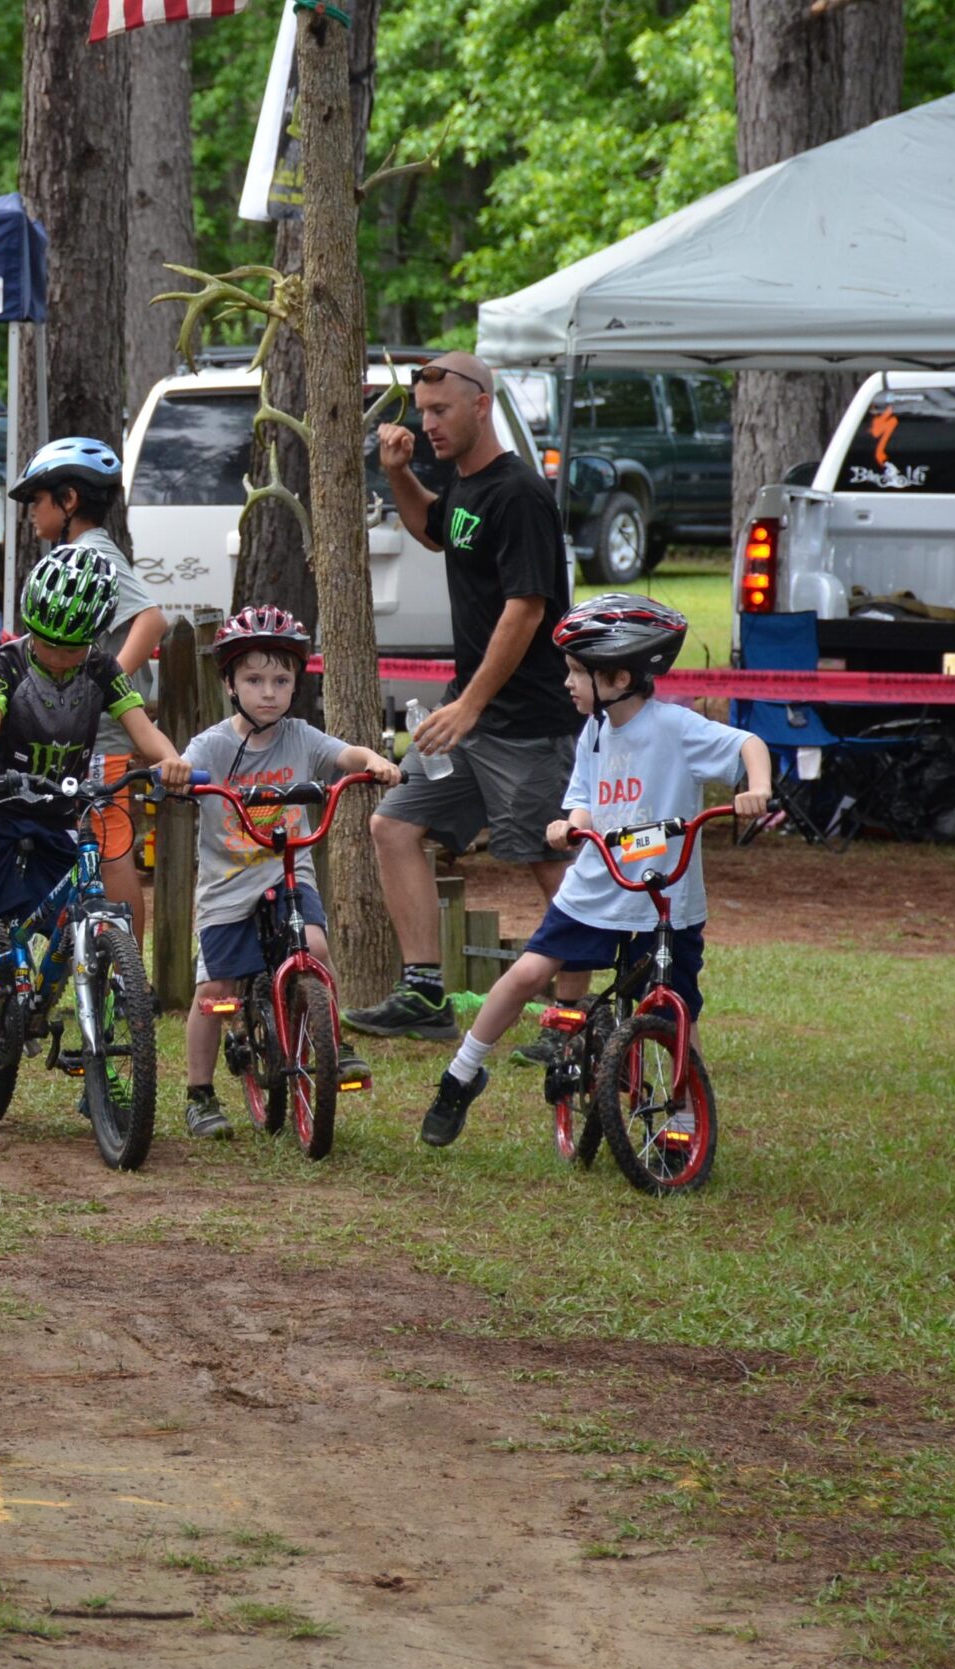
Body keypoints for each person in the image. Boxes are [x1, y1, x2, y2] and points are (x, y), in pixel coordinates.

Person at [420, 595, 769, 1147]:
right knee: (529, 973)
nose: (568, 684)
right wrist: (570, 823)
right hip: (598, 886)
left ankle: (683, 1115)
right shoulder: (596, 730)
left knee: (678, 1008)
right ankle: (463, 1072)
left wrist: (758, 788)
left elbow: (749, 743)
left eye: (578, 673)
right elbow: (584, 796)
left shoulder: (676, 728)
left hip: (665, 896)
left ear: (620, 676)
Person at [346, 349, 584, 1048]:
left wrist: (471, 705)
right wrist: (398, 473)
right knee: (393, 827)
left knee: (549, 860)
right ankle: (424, 994)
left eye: (441, 410)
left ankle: (572, 1020)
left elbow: (528, 610)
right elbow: (434, 530)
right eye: (422, 411)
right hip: (469, 720)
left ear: (482, 404)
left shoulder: (518, 493)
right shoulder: (466, 487)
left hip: (525, 723)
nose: (428, 424)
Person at [0, 546, 192, 1149]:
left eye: (74, 646)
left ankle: (100, 1057)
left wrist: (173, 764)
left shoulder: (101, 671)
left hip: (61, 815)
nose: (60, 655)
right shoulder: (5, 664)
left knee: (97, 912)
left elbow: (145, 733)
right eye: (48, 642)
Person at [180, 608, 400, 1138]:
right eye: (254, 680)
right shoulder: (212, 745)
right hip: (228, 884)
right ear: (230, 684)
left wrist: (375, 763)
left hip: (287, 869)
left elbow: (346, 753)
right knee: (216, 990)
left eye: (281, 680)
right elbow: (184, 768)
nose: (269, 693)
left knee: (317, 949)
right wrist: (178, 777)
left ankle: (331, 1042)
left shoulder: (301, 737)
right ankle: (199, 1093)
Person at [7, 437, 165, 945]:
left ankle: (129, 970)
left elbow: (152, 619)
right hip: (81, 736)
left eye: (38, 500)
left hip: (105, 740)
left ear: (69, 500)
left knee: (111, 848)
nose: (32, 513)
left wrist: (101, 685)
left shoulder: (92, 553)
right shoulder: (80, 553)